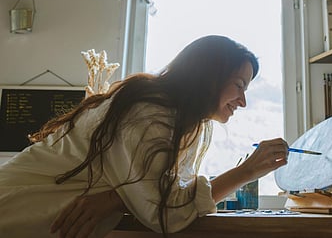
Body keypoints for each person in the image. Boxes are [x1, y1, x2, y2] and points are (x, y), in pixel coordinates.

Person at [0, 35, 289, 238]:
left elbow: (165, 190)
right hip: (17, 209)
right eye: (239, 86)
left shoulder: (193, 125)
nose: (243, 101)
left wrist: (119, 198)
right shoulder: (149, 112)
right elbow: (167, 212)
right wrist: (246, 171)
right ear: (209, 78)